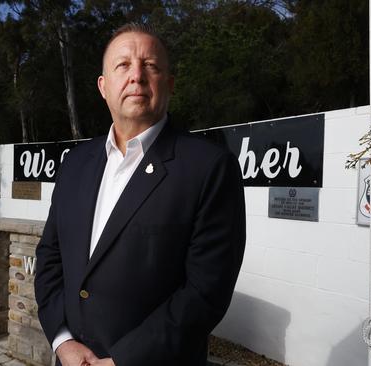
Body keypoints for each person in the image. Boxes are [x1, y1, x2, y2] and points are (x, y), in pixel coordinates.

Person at [34, 22, 246, 366]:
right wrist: (62, 340)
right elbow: (50, 257)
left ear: (170, 84)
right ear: (103, 87)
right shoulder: (75, 163)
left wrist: (124, 360)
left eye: (151, 65)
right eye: (123, 65)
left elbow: (206, 291)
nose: (137, 76)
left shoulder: (209, 168)